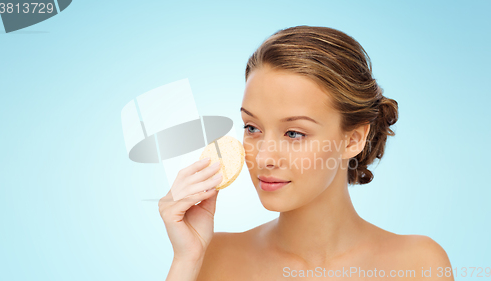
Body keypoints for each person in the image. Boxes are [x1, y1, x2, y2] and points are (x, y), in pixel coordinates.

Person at [159, 25, 453, 280]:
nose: (263, 158)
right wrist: (187, 261)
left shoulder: (419, 265)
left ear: (353, 139)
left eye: (294, 133)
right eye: (252, 128)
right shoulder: (214, 258)